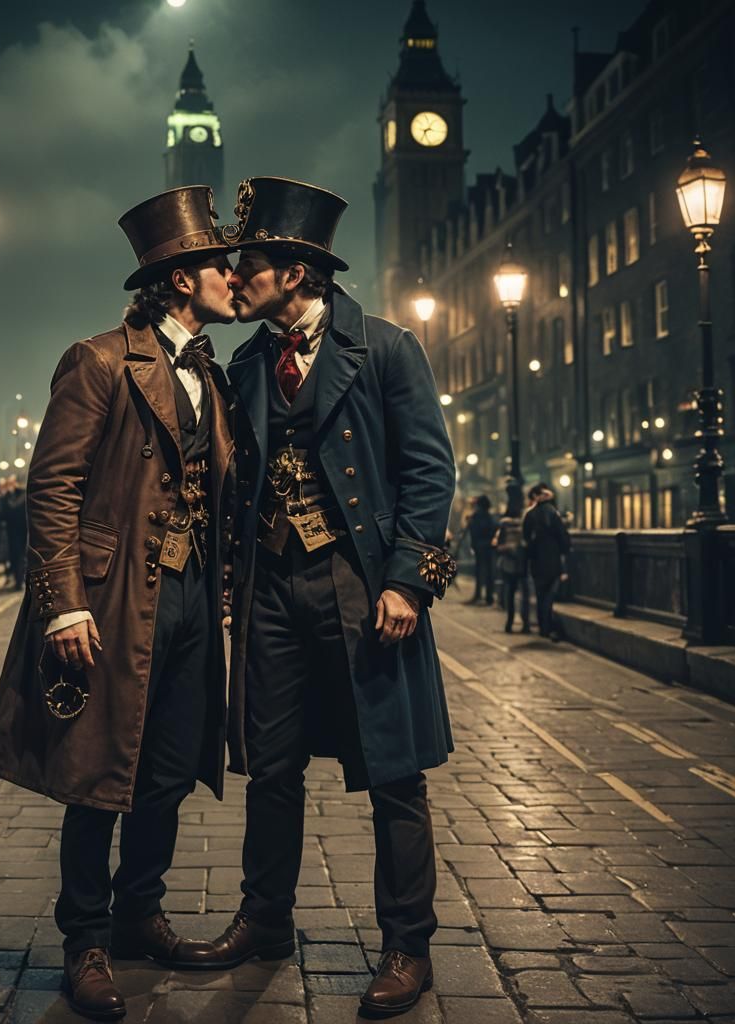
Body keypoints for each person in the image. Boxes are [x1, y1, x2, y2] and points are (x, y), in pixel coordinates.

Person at [0, 186, 239, 1021]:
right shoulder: (96, 360)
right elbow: (51, 486)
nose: (235, 277)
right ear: (182, 280)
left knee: (164, 768)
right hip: (117, 596)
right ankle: (84, 939)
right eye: (220, 266)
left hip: (192, 595)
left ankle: (138, 915)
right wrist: (63, 604)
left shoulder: (212, 374)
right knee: (98, 771)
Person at [206, 177, 457, 1018]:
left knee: (393, 769)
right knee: (269, 766)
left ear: (299, 272)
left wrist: (406, 582)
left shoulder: (386, 348)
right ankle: (266, 920)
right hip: (273, 582)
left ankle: (407, 945)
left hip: (361, 582)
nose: (235, 278)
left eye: (250, 265)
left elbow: (430, 468)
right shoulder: (245, 363)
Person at [524, 482, 570, 639]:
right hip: (553, 560)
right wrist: (564, 552)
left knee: (539, 594)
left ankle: (542, 625)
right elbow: (563, 537)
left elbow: (526, 538)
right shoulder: (554, 514)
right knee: (550, 596)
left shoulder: (530, 515)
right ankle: (547, 626)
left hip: (537, 561)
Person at [494, 484, 529, 634]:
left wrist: (506, 548)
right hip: (522, 561)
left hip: (509, 562)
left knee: (510, 593)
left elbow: (498, 544)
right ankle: (525, 624)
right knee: (524, 594)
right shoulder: (525, 519)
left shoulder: (505, 523)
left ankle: (509, 623)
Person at [466, 495, 497, 604]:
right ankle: (489, 597)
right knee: (489, 572)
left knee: (480, 572)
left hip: (480, 547)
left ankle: (478, 596)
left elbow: (475, 531)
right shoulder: (490, 516)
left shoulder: (477, 516)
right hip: (489, 547)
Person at [0, 475, 28, 588]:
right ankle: (18, 579)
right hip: (14, 531)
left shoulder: (15, 496)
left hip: (20, 530)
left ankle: (19, 579)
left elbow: (11, 508)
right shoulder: (12, 495)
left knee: (18, 555)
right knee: (16, 555)